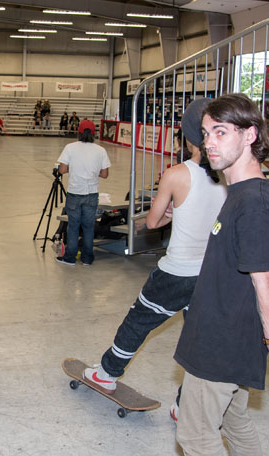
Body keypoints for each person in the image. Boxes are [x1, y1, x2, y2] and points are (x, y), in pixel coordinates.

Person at [140, 93, 269, 456]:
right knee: (234, 420)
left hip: (223, 337)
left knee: (195, 433)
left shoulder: (254, 202)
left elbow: (268, 279)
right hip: (234, 330)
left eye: (221, 132)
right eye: (207, 133)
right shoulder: (245, 192)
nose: (209, 142)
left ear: (250, 135)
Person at [82, 99, 227, 414]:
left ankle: (107, 373)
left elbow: (151, 222)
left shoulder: (176, 174)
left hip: (176, 273)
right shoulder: (228, 175)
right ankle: (185, 405)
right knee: (198, 339)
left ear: (188, 138)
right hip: (210, 273)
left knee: (139, 321)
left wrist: (171, 214)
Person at [55, 120, 110, 266]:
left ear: (79, 132)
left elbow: (62, 170)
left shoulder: (70, 147)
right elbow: (105, 174)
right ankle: (87, 258)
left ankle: (70, 258)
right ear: (94, 133)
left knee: (73, 226)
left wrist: (73, 168)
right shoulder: (100, 150)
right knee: (88, 227)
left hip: (74, 192)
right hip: (91, 193)